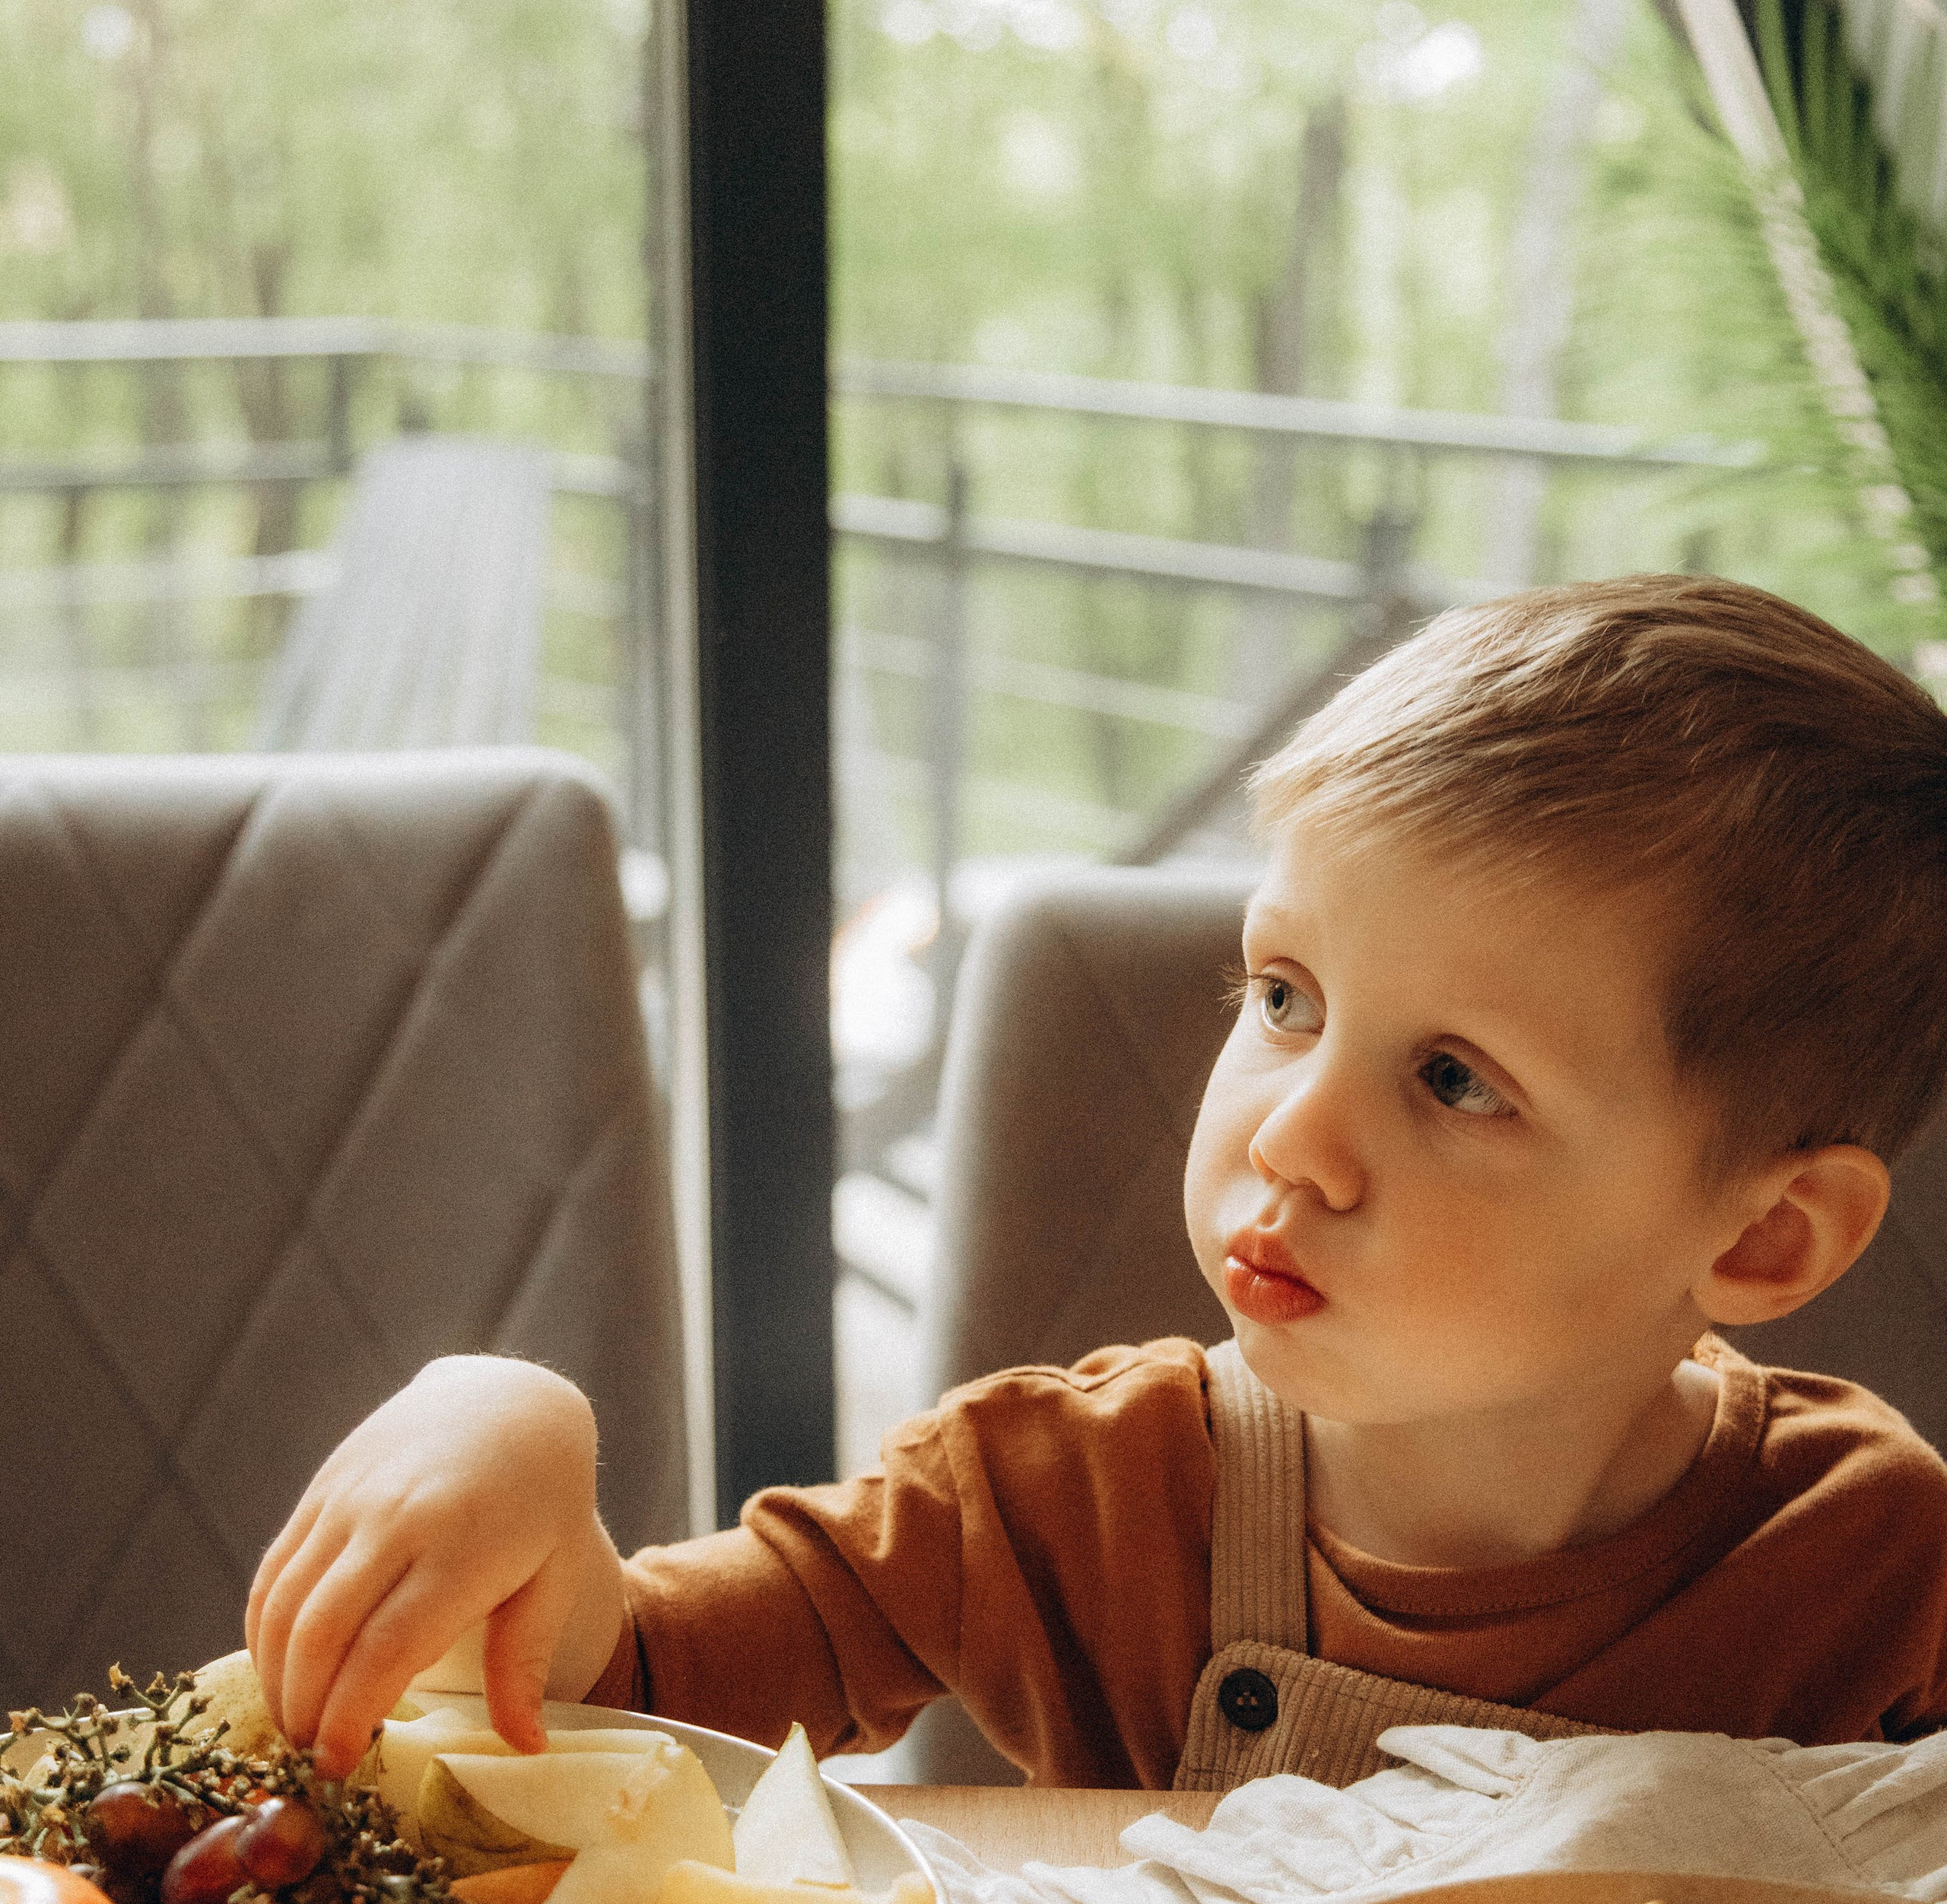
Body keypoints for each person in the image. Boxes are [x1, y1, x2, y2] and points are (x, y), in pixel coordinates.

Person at [247, 575, 1947, 1791]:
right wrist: (507, 1427)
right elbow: (627, 1704)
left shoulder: (1872, 1557)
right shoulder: (1058, 1498)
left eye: (1451, 1081)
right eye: (1283, 1000)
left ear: (1763, 1234)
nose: (1289, 1134)